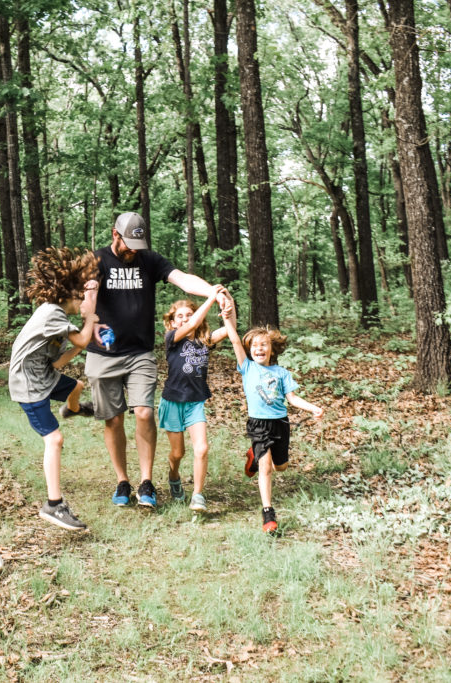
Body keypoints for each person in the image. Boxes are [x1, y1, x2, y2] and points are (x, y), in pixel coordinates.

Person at [86, 212, 230, 509]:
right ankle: (122, 480)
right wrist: (91, 319)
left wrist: (213, 292)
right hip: (103, 354)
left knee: (144, 413)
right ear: (115, 234)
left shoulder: (149, 260)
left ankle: (146, 481)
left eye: (138, 245)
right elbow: (85, 298)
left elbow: (184, 281)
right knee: (112, 419)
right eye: (129, 244)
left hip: (139, 353)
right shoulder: (96, 261)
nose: (133, 251)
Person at [9, 247, 100, 531]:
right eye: (80, 297)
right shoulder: (52, 314)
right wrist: (91, 315)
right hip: (28, 385)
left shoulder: (56, 318)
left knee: (77, 385)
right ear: (68, 295)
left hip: (44, 375)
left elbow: (60, 359)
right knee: (54, 440)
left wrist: (79, 342)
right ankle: (54, 505)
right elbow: (84, 340)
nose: (81, 302)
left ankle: (72, 409)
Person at [221, 313, 324, 534]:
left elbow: (293, 399)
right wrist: (228, 318)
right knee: (266, 468)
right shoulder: (247, 368)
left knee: (280, 467)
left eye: (264, 345)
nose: (259, 348)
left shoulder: (282, 373)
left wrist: (313, 407)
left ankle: (253, 456)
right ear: (250, 350)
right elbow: (235, 340)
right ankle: (268, 513)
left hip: (280, 424)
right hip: (258, 424)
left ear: (272, 349)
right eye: (255, 345)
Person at [158, 288, 230, 512]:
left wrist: (228, 304)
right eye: (179, 316)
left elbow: (230, 328)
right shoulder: (172, 339)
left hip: (195, 403)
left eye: (189, 314)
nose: (185, 319)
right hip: (172, 402)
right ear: (171, 322)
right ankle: (174, 476)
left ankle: (198, 495)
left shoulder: (205, 341)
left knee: (202, 449)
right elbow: (188, 327)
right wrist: (211, 297)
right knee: (178, 453)